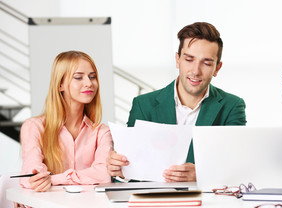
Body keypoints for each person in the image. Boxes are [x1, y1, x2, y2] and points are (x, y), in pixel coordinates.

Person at [107, 22, 246, 182]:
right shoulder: (143, 105)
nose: (195, 71)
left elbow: (237, 165)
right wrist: (120, 169)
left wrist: (201, 174)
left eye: (206, 63)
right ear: (177, 59)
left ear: (217, 68)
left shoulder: (232, 106)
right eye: (189, 59)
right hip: (156, 201)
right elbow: (129, 168)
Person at [19, 51, 113, 192]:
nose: (89, 83)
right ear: (60, 85)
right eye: (78, 77)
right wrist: (40, 179)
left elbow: (103, 175)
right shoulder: (34, 127)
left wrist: (53, 179)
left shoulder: (102, 132)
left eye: (92, 77)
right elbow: (32, 175)